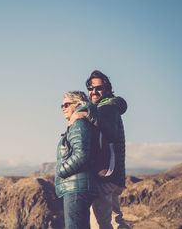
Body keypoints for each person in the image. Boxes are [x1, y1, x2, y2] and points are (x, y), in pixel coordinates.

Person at [70, 70, 130, 229]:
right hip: (113, 175)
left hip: (106, 175)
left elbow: (109, 129)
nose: (93, 91)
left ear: (108, 89)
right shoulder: (109, 106)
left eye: (99, 88)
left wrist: (85, 114)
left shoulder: (107, 107)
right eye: (90, 88)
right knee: (117, 223)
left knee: (100, 225)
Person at [55, 91, 99, 229]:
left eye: (66, 104)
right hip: (77, 186)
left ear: (78, 104)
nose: (63, 108)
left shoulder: (79, 123)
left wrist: (61, 171)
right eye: (61, 105)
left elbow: (81, 154)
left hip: (76, 189)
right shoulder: (79, 122)